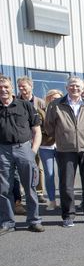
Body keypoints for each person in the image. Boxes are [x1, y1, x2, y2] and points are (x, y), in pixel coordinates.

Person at [44, 76, 84, 227]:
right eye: (71, 85)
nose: (74, 88)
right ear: (66, 87)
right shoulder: (56, 105)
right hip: (65, 149)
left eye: (78, 86)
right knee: (66, 184)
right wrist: (61, 137)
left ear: (83, 89)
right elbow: (49, 126)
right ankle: (68, 215)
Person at [0, 75, 44, 235]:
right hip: (2, 150)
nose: (3, 90)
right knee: (4, 189)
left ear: (12, 88)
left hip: (24, 148)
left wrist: (32, 151)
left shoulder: (25, 106)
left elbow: (37, 131)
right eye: (0, 87)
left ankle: (34, 221)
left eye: (6, 86)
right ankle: (7, 222)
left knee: (30, 187)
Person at [16, 76, 47, 204]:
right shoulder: (15, 102)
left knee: (37, 166)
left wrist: (44, 137)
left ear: (31, 86)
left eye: (24, 86)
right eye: (20, 86)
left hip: (37, 138)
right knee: (19, 168)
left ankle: (39, 192)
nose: (22, 88)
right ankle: (20, 192)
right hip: (20, 139)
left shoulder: (40, 102)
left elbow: (46, 120)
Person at [38, 89, 63, 210]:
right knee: (49, 174)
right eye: (53, 98)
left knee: (64, 174)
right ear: (48, 99)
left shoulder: (64, 111)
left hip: (62, 147)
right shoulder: (41, 111)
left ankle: (65, 200)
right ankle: (52, 201)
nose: (55, 100)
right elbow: (38, 129)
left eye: (58, 98)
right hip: (45, 146)